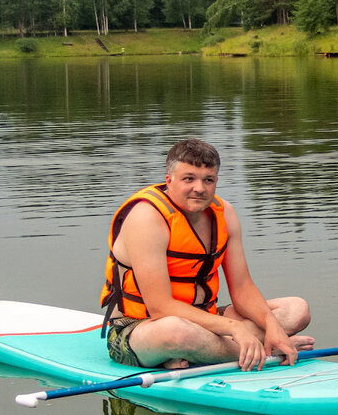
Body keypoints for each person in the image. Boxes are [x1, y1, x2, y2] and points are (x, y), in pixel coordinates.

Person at [100, 138, 312, 371]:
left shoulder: (225, 214)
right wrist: (234, 328)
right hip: (143, 327)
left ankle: (202, 352)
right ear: (169, 181)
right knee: (175, 332)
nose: (199, 188)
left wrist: (272, 325)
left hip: (206, 321)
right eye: (188, 179)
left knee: (296, 309)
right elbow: (160, 307)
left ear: (216, 182)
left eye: (208, 180)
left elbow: (242, 288)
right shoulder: (147, 218)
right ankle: (263, 351)